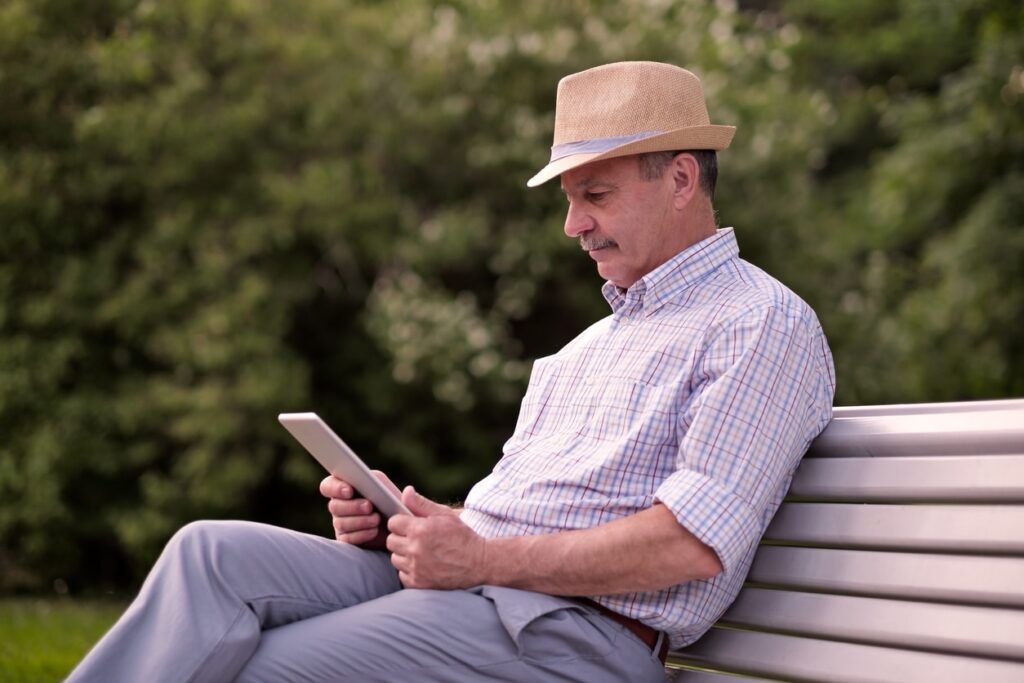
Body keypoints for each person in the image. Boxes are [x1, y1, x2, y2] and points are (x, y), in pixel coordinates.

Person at [67, 61, 835, 683]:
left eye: (594, 195)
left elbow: (694, 544)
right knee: (211, 556)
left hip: (573, 638)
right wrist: (406, 525)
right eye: (570, 201)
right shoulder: (586, 349)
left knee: (263, 665)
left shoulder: (760, 323)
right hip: (485, 594)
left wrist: (484, 558)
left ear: (679, 181)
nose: (574, 225)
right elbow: (509, 524)